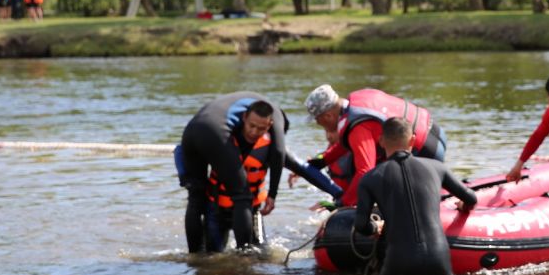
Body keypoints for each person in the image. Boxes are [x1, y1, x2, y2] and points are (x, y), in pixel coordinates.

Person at [353, 117, 478, 275]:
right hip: (438, 258)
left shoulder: (370, 178)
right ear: (413, 139)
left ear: (381, 141)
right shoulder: (437, 167)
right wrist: (464, 207)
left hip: (399, 262)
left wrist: (375, 228)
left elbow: (360, 225)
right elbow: (471, 198)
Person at [176, 93, 291, 253]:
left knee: (195, 198)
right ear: (244, 119)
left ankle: (195, 258)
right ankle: (244, 258)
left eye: (261, 129)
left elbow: (296, 164)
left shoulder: (249, 133)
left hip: (191, 131)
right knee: (241, 197)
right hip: (218, 209)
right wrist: (273, 193)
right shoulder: (274, 116)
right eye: (252, 126)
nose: (255, 132)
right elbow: (279, 153)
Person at [304, 84, 448, 207]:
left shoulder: (358, 126)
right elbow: (349, 143)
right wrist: (323, 160)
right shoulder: (358, 99)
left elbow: (365, 170)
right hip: (435, 131)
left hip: (424, 151)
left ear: (328, 115)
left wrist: (343, 203)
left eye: (317, 119)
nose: (317, 124)